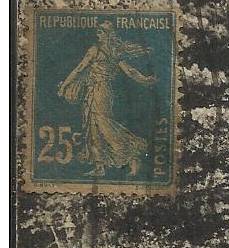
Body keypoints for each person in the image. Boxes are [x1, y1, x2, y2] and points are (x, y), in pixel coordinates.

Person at [57, 21, 156, 178]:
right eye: (98, 30)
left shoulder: (96, 50)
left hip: (100, 92)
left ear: (108, 34)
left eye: (102, 31)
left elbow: (78, 69)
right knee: (93, 127)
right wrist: (144, 79)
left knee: (104, 126)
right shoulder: (113, 51)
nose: (98, 33)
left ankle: (131, 155)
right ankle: (99, 166)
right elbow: (130, 71)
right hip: (94, 91)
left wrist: (64, 87)